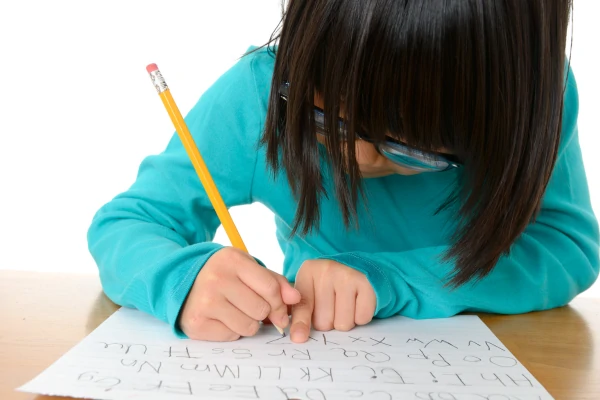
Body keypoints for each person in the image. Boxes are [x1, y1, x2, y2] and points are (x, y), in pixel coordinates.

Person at [87, 0, 599, 343]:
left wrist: (393, 279)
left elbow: (566, 245)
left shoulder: (530, 106)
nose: (356, 157)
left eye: (410, 148)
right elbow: (129, 223)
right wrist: (185, 278)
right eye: (324, 119)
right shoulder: (260, 96)